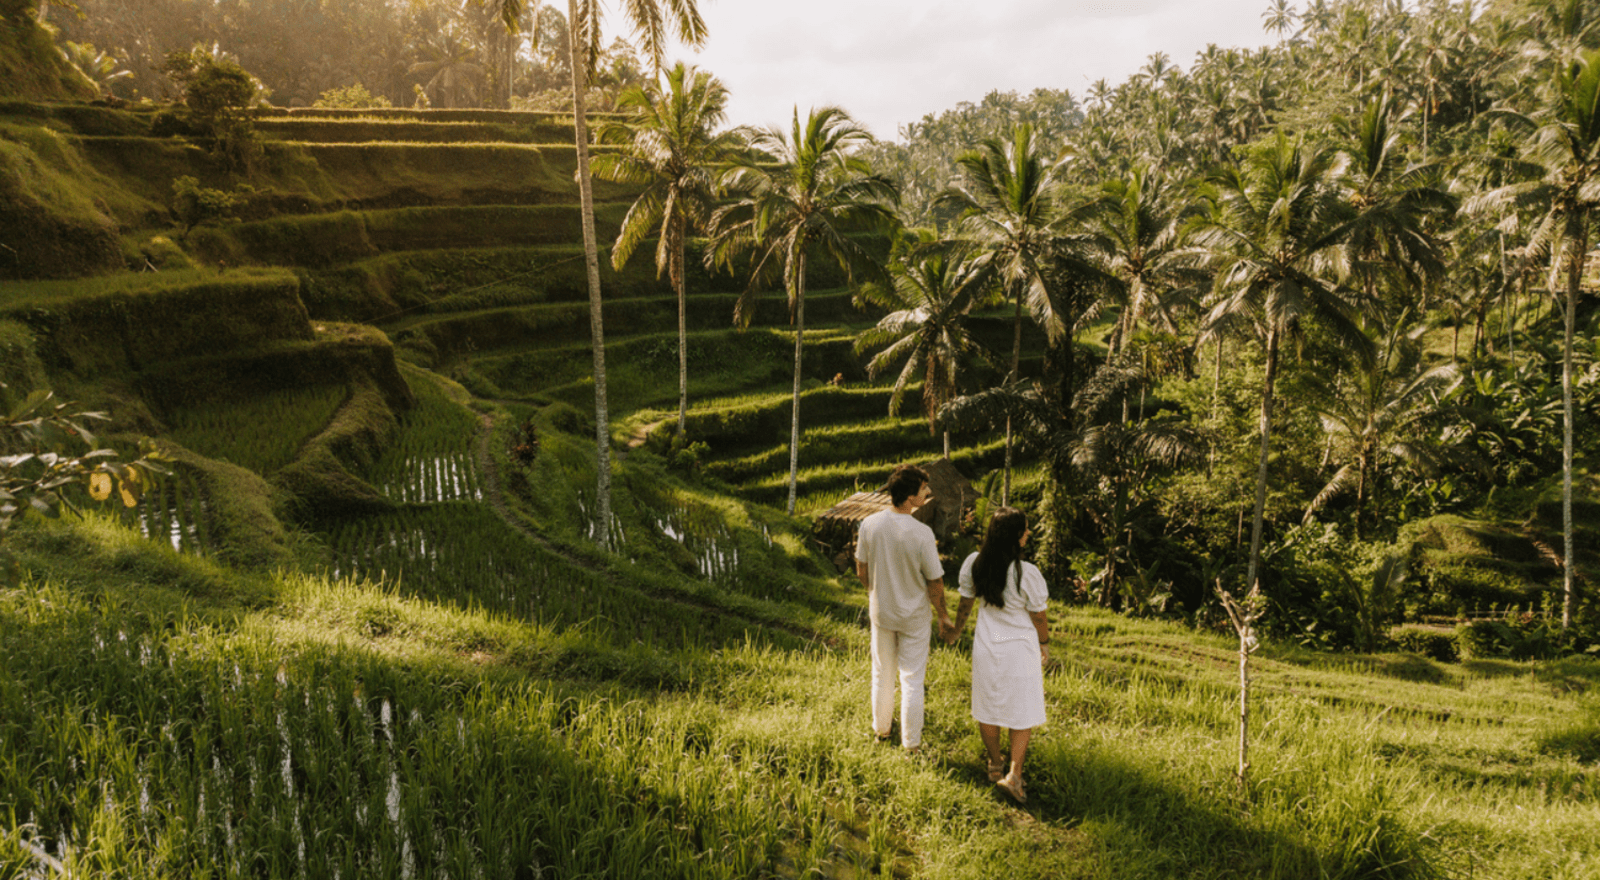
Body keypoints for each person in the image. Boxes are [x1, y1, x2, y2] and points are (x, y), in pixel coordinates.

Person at [947, 506, 1049, 804]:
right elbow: (1039, 616)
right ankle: (1015, 775)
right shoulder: (1026, 573)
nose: (1028, 533)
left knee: (988, 704)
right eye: (1026, 529)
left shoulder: (974, 563)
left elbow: (966, 603)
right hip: (1020, 648)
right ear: (1016, 536)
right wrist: (1044, 643)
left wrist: (956, 630)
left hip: (987, 646)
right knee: (1023, 709)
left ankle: (994, 765)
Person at [855, 464, 953, 751]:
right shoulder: (921, 533)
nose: (928, 492)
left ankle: (882, 731)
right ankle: (911, 744)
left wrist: (875, 593)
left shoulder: (869, 525)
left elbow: (861, 569)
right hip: (914, 617)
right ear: (910, 497)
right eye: (924, 488)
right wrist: (943, 615)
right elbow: (935, 582)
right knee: (911, 678)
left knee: (882, 673)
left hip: (881, 612)